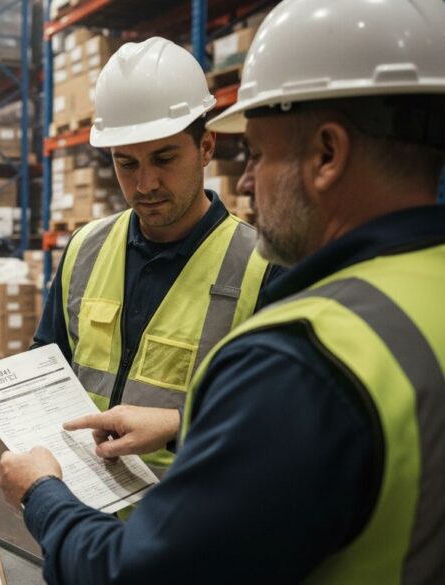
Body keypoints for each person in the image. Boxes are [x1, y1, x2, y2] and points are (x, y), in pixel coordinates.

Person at [0, 0, 445, 582]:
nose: (247, 179)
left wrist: (43, 496)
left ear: (327, 153)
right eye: (126, 163)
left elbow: (138, 574)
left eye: (256, 152)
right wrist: (183, 426)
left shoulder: (303, 357)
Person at [34, 37, 279, 475]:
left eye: (164, 158)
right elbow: (46, 362)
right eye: (126, 164)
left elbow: (281, 417)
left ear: (206, 147)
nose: (145, 184)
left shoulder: (263, 267)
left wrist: (176, 425)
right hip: (79, 513)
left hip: (187, 526)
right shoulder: (85, 247)